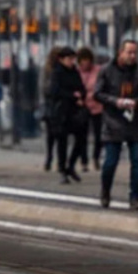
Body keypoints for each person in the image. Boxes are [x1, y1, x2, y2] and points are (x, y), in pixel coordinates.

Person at [95, 40, 138, 210]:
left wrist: (136, 102)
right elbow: (97, 93)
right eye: (129, 52)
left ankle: (135, 196)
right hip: (113, 122)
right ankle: (105, 191)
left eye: (134, 53)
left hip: (134, 122)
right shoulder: (106, 70)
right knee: (110, 161)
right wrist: (115, 101)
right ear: (121, 52)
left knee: (137, 162)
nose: (132, 56)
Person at [48, 47, 87, 184]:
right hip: (62, 112)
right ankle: (62, 169)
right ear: (62, 59)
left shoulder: (74, 72)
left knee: (81, 139)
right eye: (69, 59)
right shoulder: (57, 73)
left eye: (73, 59)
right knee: (62, 142)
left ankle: (70, 165)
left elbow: (82, 87)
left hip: (75, 111)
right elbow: (54, 91)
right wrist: (72, 95)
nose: (72, 62)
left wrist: (81, 95)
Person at [77, 47, 103, 171]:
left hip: (98, 106)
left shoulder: (98, 71)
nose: (85, 63)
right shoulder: (77, 72)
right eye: (82, 60)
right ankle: (84, 161)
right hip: (83, 106)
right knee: (83, 135)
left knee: (99, 135)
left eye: (87, 60)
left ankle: (96, 157)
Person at [41, 46, 62, 172]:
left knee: (59, 135)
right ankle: (49, 158)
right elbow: (43, 87)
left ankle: (58, 160)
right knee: (51, 135)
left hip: (59, 105)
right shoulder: (48, 70)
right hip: (51, 105)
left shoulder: (64, 70)